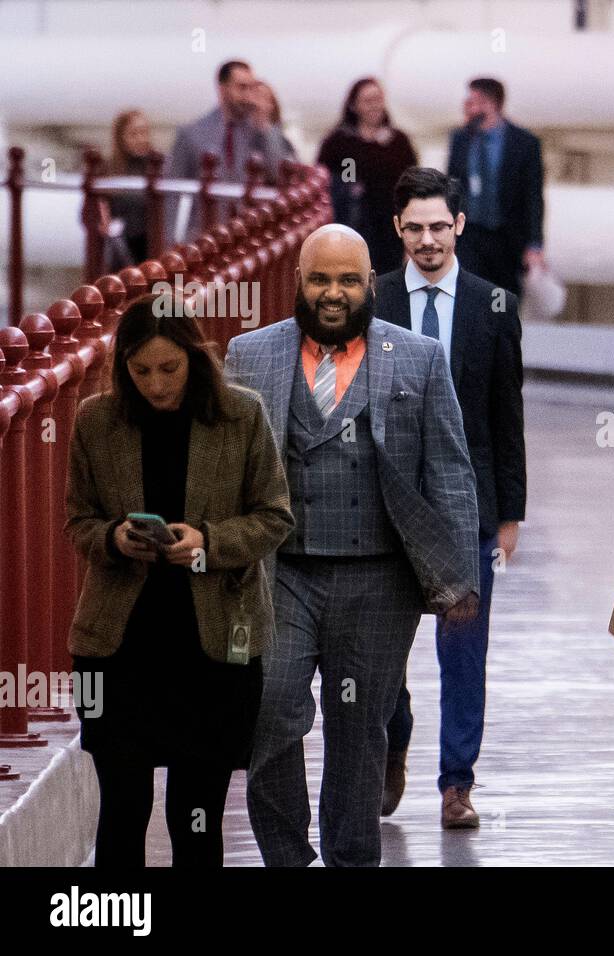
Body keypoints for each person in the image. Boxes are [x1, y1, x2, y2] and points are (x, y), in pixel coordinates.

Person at [223, 223, 481, 867]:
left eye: (346, 280)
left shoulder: (419, 358)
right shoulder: (248, 354)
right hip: (280, 575)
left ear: (370, 284)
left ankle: (351, 858)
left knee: (360, 730)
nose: (332, 293)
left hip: (380, 579)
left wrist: (459, 580)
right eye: (318, 279)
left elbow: (448, 470)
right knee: (272, 710)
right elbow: (224, 473)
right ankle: (286, 855)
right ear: (298, 282)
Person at [64, 293, 293, 866]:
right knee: (121, 806)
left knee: (196, 815)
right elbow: (78, 521)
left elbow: (274, 518)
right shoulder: (95, 419)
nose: (157, 385)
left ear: (195, 359)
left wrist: (208, 544)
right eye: (140, 371)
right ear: (122, 368)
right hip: (117, 649)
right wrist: (115, 537)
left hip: (213, 648)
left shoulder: (242, 415)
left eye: (170, 368)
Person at [374, 168, 526, 827]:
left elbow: (505, 412)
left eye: (440, 226)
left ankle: (456, 783)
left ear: (459, 225)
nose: (429, 240)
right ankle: (394, 735)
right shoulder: (372, 299)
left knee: (463, 649)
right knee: (379, 645)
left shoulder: (494, 305)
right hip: (386, 503)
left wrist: (510, 512)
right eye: (415, 228)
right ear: (397, 229)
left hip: (469, 510)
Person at [165, 60, 294, 236]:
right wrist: (173, 239)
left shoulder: (260, 132)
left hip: (251, 234)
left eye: (251, 88)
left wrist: (265, 129)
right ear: (223, 89)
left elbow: (281, 173)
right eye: (242, 88)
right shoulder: (192, 134)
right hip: (205, 236)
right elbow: (172, 192)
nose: (248, 96)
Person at [447, 77, 544, 295]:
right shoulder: (461, 139)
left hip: (507, 237)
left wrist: (535, 244)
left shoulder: (524, 143)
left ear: (490, 104)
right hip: (470, 235)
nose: (467, 108)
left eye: (472, 102)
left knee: (503, 301)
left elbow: (533, 197)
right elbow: (451, 188)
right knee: (470, 297)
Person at [317, 77, 419, 276]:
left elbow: (412, 186)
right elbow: (329, 183)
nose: (374, 106)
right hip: (352, 227)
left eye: (378, 99)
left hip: (391, 232)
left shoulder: (398, 142)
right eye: (368, 100)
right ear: (354, 105)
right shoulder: (340, 142)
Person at [104, 109, 155, 267]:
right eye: (134, 134)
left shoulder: (157, 166)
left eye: (144, 132)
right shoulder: (110, 170)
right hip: (121, 250)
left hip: (152, 247)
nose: (141, 139)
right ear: (121, 138)